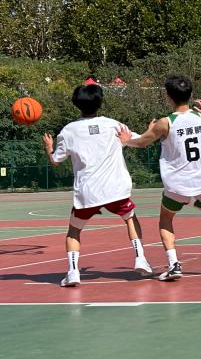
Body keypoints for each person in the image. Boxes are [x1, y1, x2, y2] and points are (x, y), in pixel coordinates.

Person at [120, 76, 201, 280]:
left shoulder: (165, 122)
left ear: (168, 97)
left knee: (166, 219)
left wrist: (126, 140)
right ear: (190, 95)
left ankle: (174, 264)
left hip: (178, 184)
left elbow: (141, 143)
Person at [42, 84, 152, 287]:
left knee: (74, 231)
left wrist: (49, 148)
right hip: (115, 188)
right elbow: (138, 140)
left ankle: (73, 272)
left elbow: (56, 160)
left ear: (76, 104)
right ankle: (140, 258)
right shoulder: (113, 125)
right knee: (130, 218)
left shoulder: (68, 131)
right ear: (100, 102)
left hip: (88, 192)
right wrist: (150, 131)